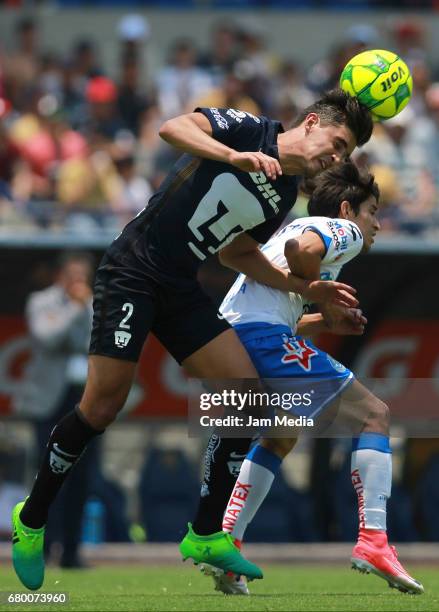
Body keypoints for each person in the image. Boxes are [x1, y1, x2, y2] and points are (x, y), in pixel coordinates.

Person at [11, 89, 372, 590]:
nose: (337, 157)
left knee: (248, 397)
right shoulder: (252, 131)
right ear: (311, 123)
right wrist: (233, 154)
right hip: (134, 269)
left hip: (181, 285)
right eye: (337, 142)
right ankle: (32, 518)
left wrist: (305, 288)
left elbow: (235, 254)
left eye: (346, 153)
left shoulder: (286, 194)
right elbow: (172, 127)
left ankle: (205, 532)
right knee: (101, 407)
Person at [180, 162, 424, 595]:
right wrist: (318, 290)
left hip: (232, 339)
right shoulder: (339, 231)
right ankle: (374, 541)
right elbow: (300, 250)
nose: (378, 224)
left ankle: (228, 542)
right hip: (259, 339)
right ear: (348, 209)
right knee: (375, 415)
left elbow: (274, 305)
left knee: (281, 434)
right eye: (373, 212)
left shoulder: (294, 228)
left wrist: (321, 318)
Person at [13, 252, 96, 569]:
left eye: (82, 275)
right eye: (72, 274)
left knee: (82, 476)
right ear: (61, 275)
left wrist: (86, 306)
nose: (77, 281)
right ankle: (41, 549)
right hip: (48, 400)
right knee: (45, 476)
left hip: (84, 399)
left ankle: (73, 552)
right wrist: (75, 307)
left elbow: (96, 341)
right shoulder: (41, 302)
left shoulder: (94, 302)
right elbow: (48, 338)